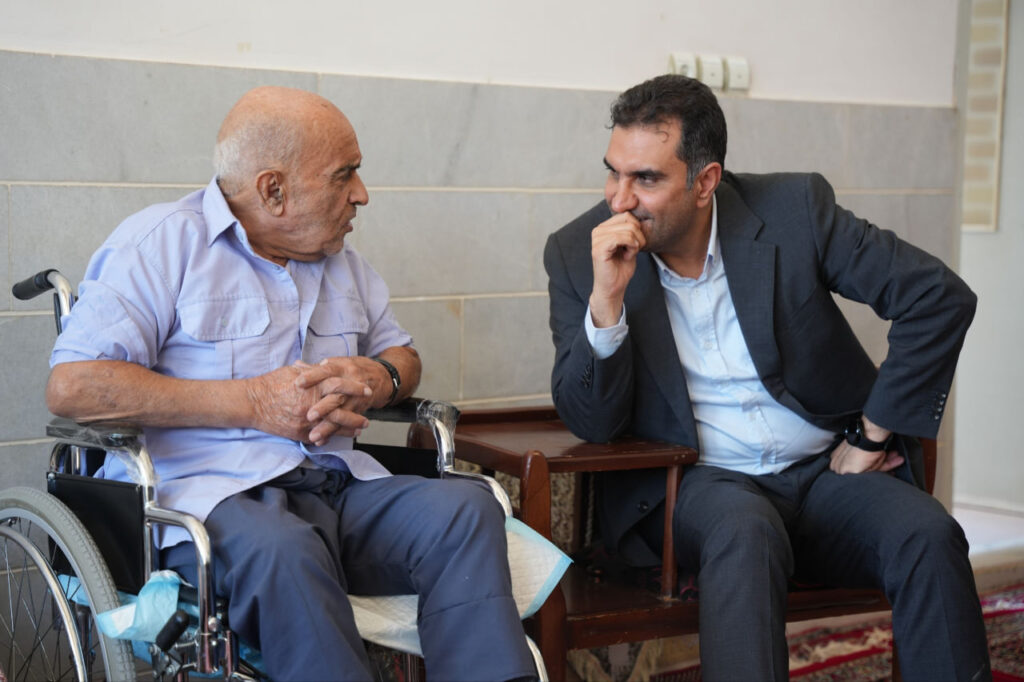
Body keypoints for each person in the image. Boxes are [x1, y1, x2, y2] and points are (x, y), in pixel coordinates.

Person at [46, 86, 536, 682]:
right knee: (286, 550)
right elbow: (73, 387)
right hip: (211, 502)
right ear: (273, 190)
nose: (362, 193)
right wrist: (253, 402)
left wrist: (379, 377)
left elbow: (403, 356)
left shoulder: (344, 263)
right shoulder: (160, 245)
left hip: (334, 486)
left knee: (465, 509)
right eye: (345, 174)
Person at [544, 74, 991, 681]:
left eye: (645, 179)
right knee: (745, 532)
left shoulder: (792, 211)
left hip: (826, 472)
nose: (620, 200)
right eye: (613, 173)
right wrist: (607, 304)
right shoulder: (580, 253)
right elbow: (591, 423)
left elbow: (936, 297)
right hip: (700, 484)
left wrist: (871, 435)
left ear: (705, 181)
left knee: (929, 534)